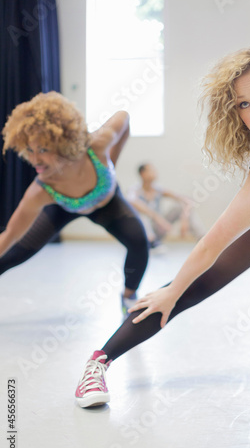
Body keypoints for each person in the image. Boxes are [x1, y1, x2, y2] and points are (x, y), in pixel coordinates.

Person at [73, 45, 250, 408]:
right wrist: (172, 290)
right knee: (184, 290)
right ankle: (97, 363)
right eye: (243, 104)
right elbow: (209, 247)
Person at [0, 91, 149, 317]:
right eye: (30, 150)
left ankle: (128, 297)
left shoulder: (98, 145)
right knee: (13, 254)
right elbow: (10, 234)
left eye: (43, 150)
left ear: (63, 142)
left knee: (139, 241)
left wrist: (112, 161)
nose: (35, 160)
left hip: (107, 205)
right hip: (62, 209)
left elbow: (124, 116)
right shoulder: (40, 190)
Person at [127, 162, 205, 250]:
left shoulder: (158, 189)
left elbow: (186, 200)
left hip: (158, 228)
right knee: (142, 215)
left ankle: (202, 239)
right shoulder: (135, 190)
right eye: (151, 170)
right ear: (142, 173)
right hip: (143, 232)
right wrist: (157, 218)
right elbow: (132, 201)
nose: (155, 172)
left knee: (178, 208)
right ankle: (151, 242)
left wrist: (185, 218)